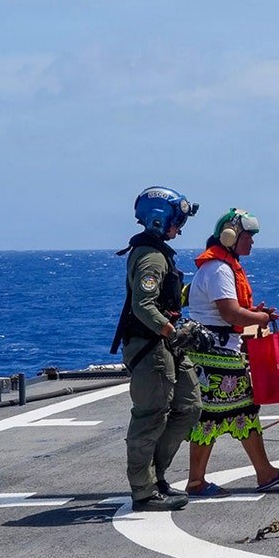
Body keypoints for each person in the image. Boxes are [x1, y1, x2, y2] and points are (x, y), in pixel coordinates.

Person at [183, 208, 279, 496]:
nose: (251, 242)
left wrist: (253, 312)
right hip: (216, 357)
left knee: (242, 413)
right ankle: (197, 481)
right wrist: (259, 318)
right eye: (247, 236)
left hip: (218, 354)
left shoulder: (220, 266)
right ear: (230, 236)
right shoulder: (219, 270)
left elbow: (230, 311)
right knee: (212, 417)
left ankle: (264, 471)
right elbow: (230, 313)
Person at [110, 186, 202, 512]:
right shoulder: (150, 256)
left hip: (166, 346)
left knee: (189, 407)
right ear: (160, 220)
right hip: (151, 348)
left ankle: (156, 477)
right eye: (177, 220)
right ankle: (144, 491)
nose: (180, 227)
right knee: (150, 418)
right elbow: (143, 305)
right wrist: (172, 330)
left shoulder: (160, 254)